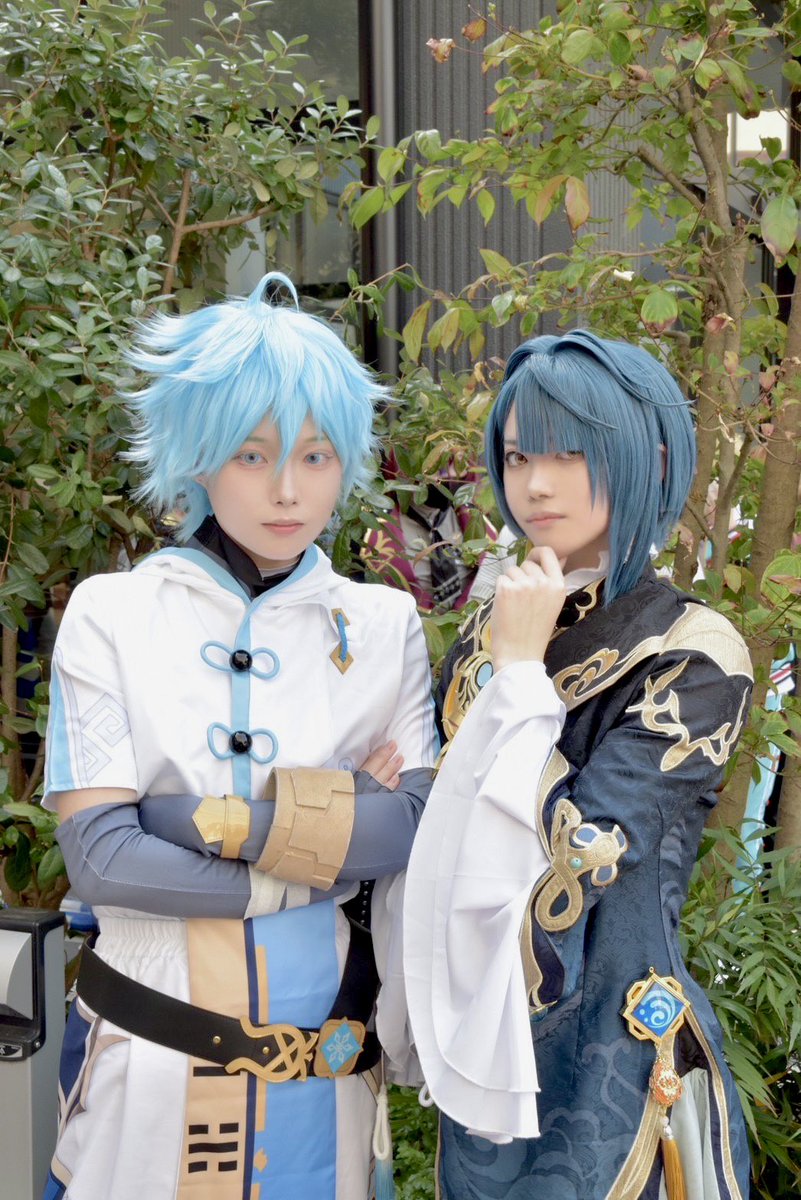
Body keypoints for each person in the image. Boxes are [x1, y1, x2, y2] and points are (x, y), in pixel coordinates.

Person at [43, 273, 436, 1200]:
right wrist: (331, 836)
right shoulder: (112, 613)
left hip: (325, 1067)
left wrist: (186, 820)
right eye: (252, 455)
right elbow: (103, 860)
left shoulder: (382, 624)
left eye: (316, 455)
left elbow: (411, 827)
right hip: (148, 1056)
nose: (288, 490)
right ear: (199, 456)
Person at [401, 332, 753, 1200]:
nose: (535, 484)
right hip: (482, 1046)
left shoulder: (694, 652)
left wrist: (520, 676)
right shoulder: (491, 634)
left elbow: (578, 856)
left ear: (648, 458)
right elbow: (435, 831)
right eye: (519, 455)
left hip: (618, 1060)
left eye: (569, 454)